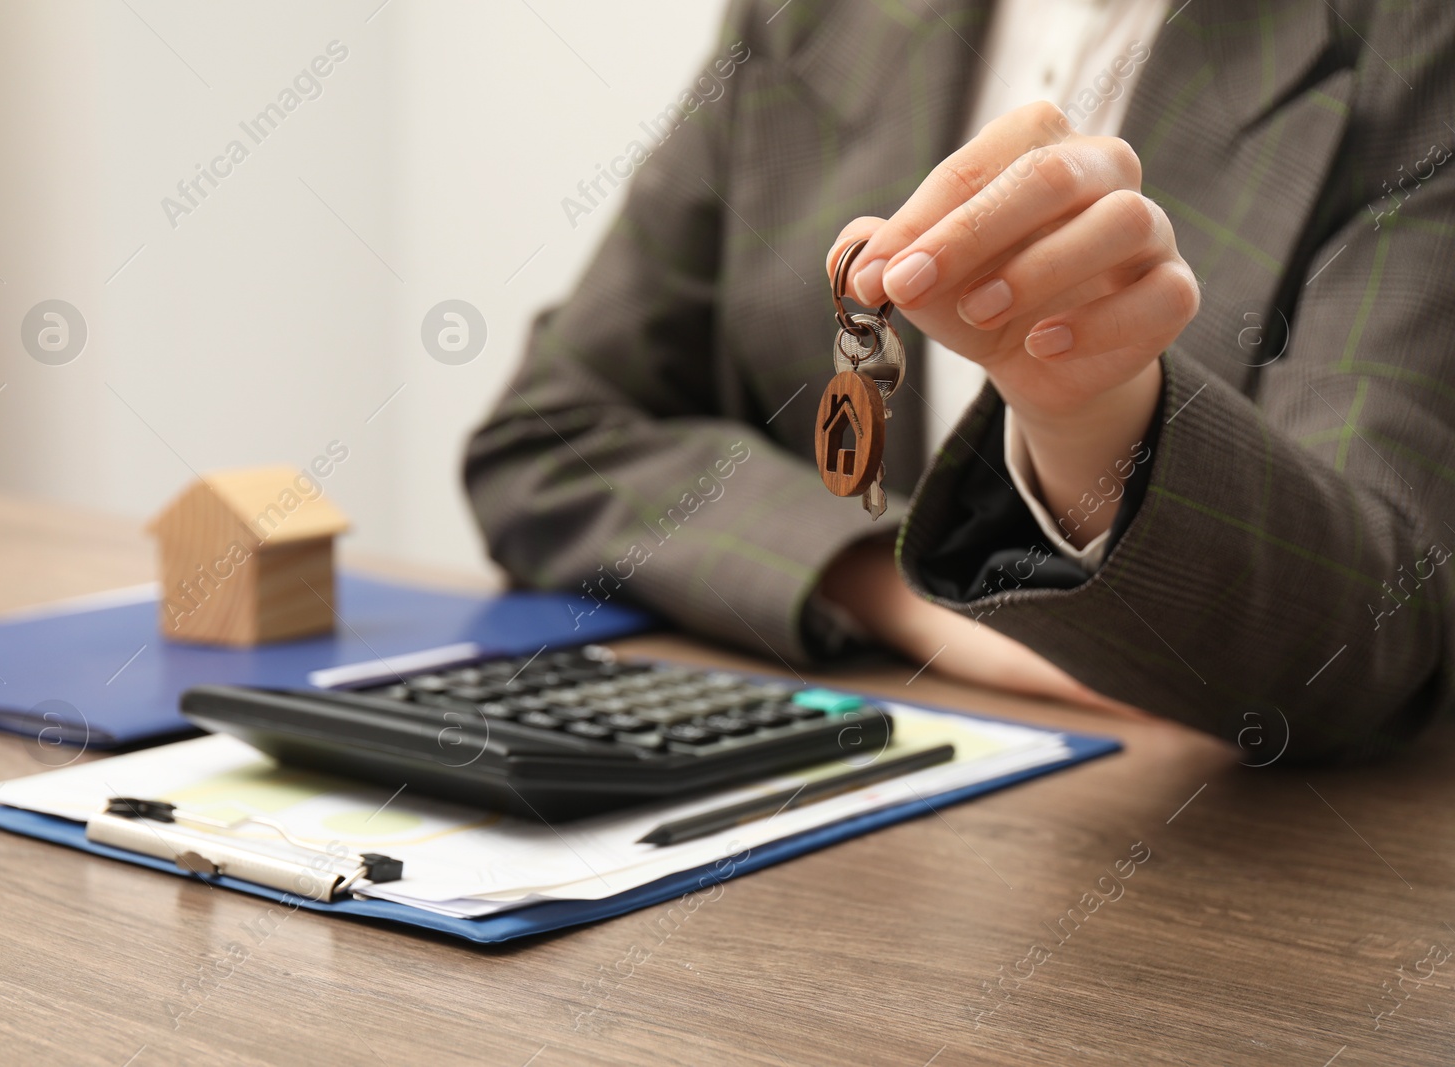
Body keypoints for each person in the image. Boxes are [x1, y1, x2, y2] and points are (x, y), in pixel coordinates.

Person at [465, 0, 1455, 761]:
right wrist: (895, 587)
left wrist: (1093, 417)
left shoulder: (1412, 40)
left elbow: (1376, 630)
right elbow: (548, 437)